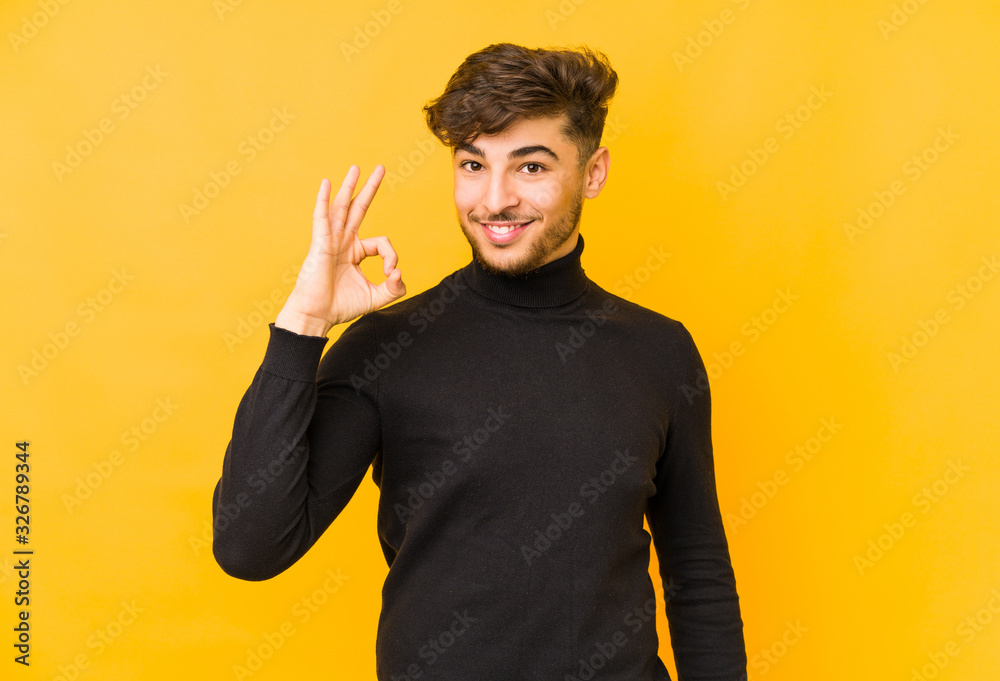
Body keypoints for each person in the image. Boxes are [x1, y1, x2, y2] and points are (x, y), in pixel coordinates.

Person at [212, 42, 747, 681]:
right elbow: (250, 547)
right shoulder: (389, 347)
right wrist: (301, 326)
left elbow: (697, 568)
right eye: (473, 164)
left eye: (530, 167)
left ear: (593, 171)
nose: (494, 200)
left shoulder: (659, 350)